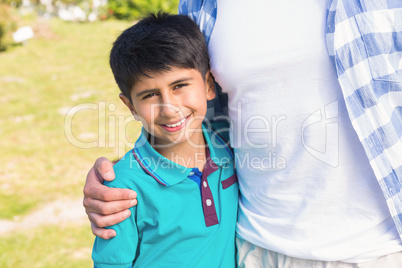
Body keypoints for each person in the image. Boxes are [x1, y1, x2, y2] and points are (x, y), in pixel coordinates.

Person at [84, 0, 402, 267]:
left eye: (177, 89)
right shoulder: (201, 5)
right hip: (256, 248)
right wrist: (122, 174)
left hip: (374, 248)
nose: (168, 105)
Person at [91, 12, 238, 268]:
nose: (169, 108)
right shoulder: (122, 188)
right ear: (131, 107)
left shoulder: (227, 149)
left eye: (179, 85)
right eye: (149, 95)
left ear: (208, 85)